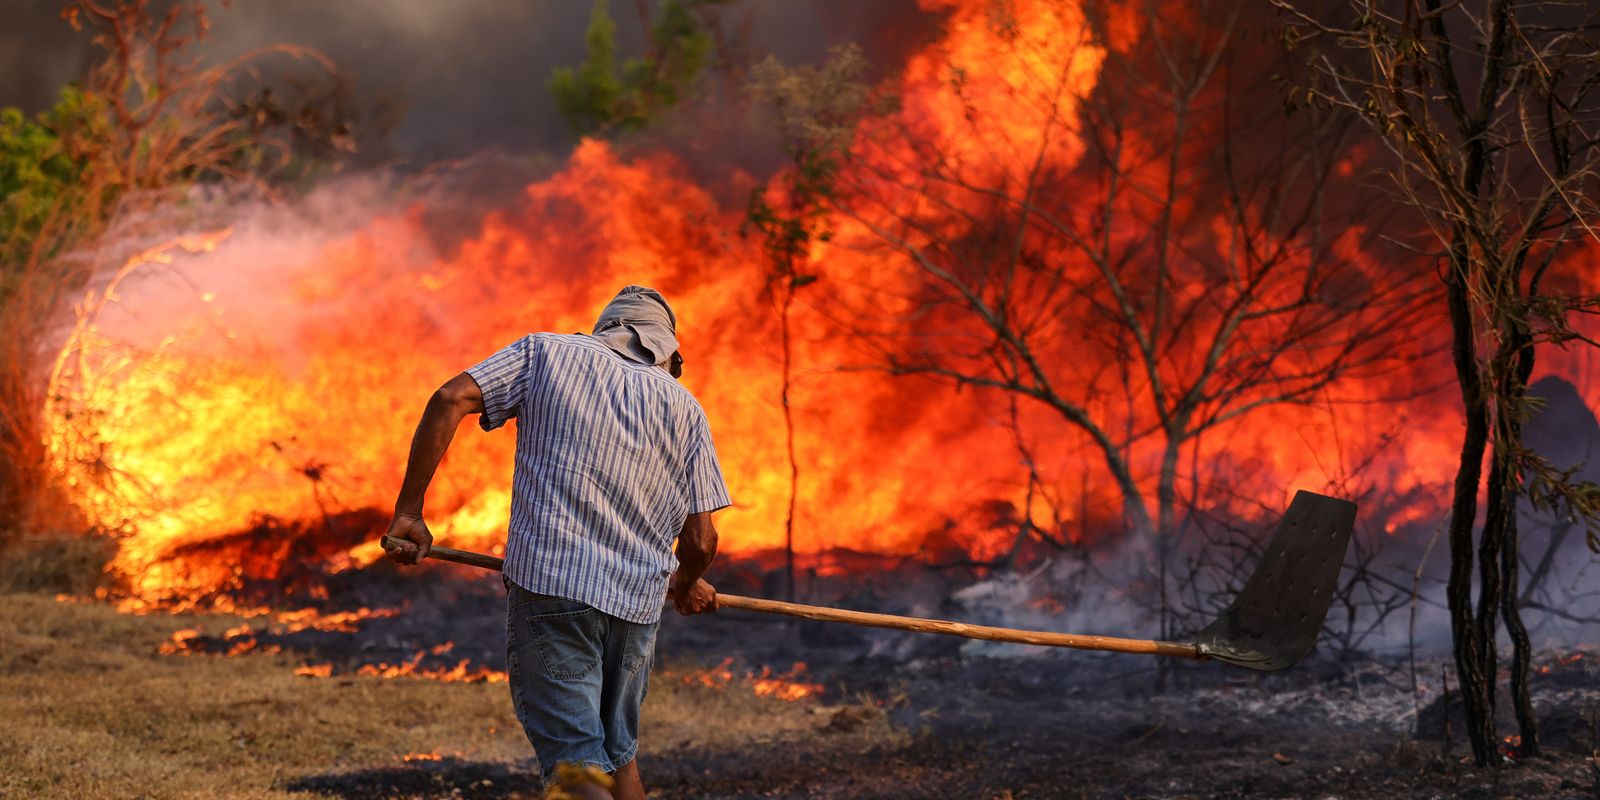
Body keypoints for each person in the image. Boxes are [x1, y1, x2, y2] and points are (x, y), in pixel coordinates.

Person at [381, 285, 730, 800]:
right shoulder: (688, 410)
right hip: (636, 609)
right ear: (669, 353)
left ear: (606, 330)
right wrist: (687, 581)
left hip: (555, 588)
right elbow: (700, 540)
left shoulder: (546, 353)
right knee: (619, 756)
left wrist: (409, 513)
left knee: (577, 764)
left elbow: (450, 398)